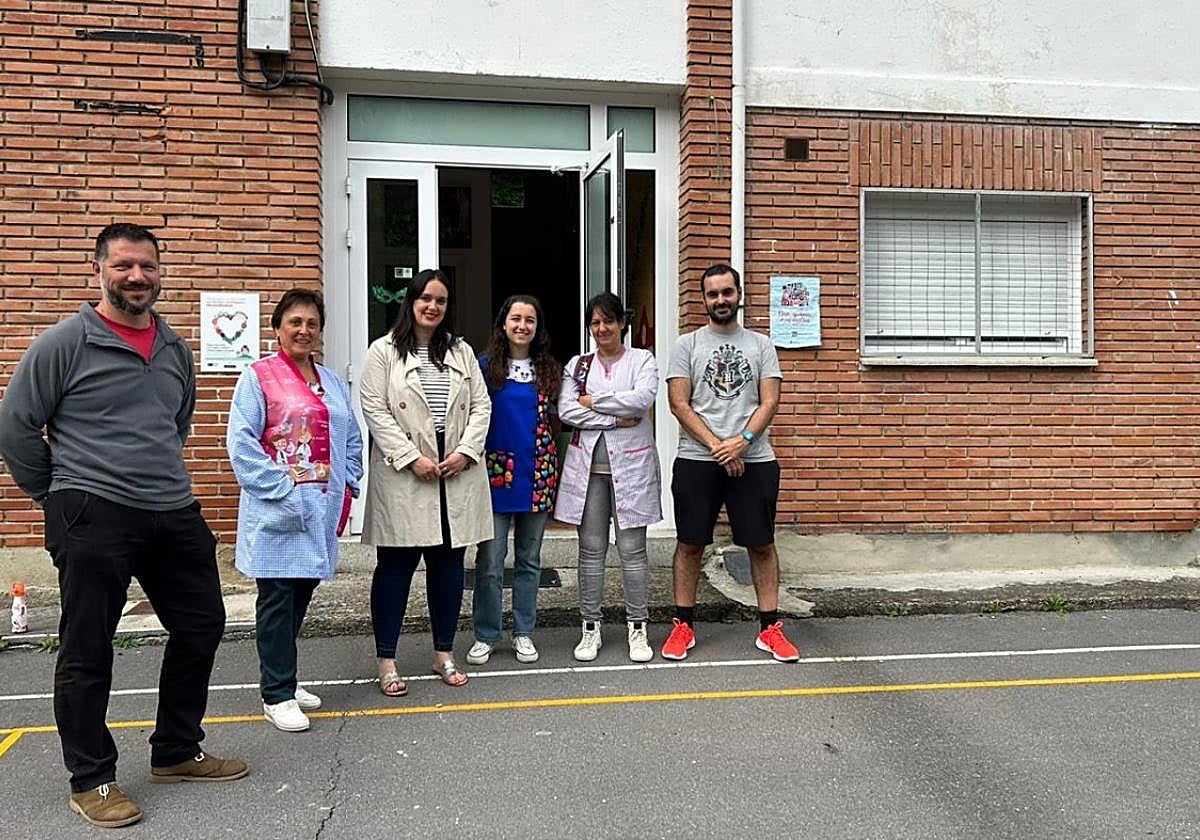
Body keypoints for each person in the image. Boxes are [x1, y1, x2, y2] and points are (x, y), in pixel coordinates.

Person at [0, 223, 248, 829]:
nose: (136, 277)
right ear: (99, 272)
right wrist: (57, 496)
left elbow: (175, 424)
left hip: (172, 509)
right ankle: (92, 779)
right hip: (95, 511)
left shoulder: (174, 349)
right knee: (88, 647)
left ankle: (175, 750)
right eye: (123, 266)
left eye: (147, 267)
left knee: (202, 623)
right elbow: (15, 426)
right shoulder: (64, 343)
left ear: (160, 273)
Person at [226, 289, 364, 733]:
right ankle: (276, 693)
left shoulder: (330, 380)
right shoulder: (258, 377)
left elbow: (350, 435)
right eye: (294, 322)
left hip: (320, 508)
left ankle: (285, 676)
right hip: (279, 508)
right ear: (277, 328)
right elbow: (242, 443)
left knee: (302, 592)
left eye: (312, 324)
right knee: (277, 599)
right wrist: (280, 487)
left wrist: (351, 479)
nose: (304, 330)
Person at [359, 269, 492, 696]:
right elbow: (374, 409)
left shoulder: (461, 351)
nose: (432, 306)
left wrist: (466, 452)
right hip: (405, 474)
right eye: (425, 298)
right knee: (395, 569)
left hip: (452, 471)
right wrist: (410, 457)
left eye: (440, 300)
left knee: (448, 569)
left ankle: (443, 653)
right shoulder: (383, 352)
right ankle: (387, 660)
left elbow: (481, 406)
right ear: (410, 301)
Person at [662, 263, 799, 663]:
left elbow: (770, 400)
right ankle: (683, 625)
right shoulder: (686, 346)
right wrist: (719, 447)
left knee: (761, 544)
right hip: (696, 459)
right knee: (689, 544)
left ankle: (769, 627)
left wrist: (741, 442)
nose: (720, 300)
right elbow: (678, 403)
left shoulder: (761, 345)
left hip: (754, 459)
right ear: (703, 299)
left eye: (727, 292)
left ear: (739, 294)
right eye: (712, 294)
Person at [556, 292, 661, 663]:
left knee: (632, 551)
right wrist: (614, 417)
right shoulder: (578, 365)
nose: (602, 329)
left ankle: (637, 626)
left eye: (608, 321)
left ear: (622, 324)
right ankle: (590, 627)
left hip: (631, 470)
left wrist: (593, 401)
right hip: (590, 474)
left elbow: (642, 399)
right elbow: (567, 411)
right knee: (590, 551)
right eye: (595, 323)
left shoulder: (642, 359)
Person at [467, 295, 562, 666]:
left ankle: (523, 632)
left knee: (529, 560)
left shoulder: (550, 370)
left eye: (530, 320)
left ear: (538, 328)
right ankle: (486, 634)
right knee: (490, 560)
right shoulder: (485, 367)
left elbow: (558, 420)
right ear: (503, 323)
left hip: (537, 472)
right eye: (516, 318)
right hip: (495, 472)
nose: (522, 326)